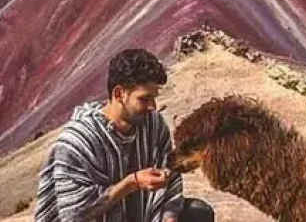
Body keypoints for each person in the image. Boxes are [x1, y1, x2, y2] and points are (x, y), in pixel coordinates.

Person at [34, 48, 215, 222]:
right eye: (144, 99)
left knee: (198, 213)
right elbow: (74, 213)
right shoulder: (77, 143)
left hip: (143, 216)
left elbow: (171, 178)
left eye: (154, 97)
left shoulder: (154, 124)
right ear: (119, 94)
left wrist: (169, 217)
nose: (153, 106)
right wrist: (131, 183)